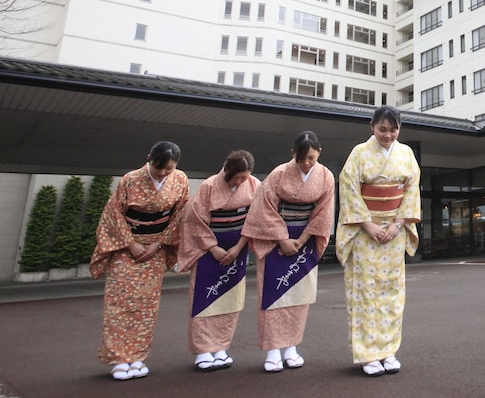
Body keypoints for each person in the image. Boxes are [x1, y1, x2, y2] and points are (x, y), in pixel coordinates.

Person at [90, 141, 189, 381]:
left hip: (156, 248)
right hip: (126, 247)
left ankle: (137, 357)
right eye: (159, 168)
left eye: (169, 169)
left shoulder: (180, 180)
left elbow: (180, 215)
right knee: (120, 303)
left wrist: (158, 244)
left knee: (146, 306)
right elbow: (113, 214)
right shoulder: (130, 179)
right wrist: (130, 243)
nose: (164, 173)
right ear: (149, 159)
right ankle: (118, 359)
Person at [336, 106, 421, 377]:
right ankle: (368, 354)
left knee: (392, 292)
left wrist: (397, 225)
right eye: (382, 129)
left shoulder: (406, 154)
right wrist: (368, 224)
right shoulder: (359, 154)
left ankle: (388, 351)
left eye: (393, 129)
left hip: (394, 233)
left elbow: (411, 191)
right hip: (364, 232)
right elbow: (348, 188)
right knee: (364, 292)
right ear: (371, 127)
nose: (388, 134)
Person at [241, 131, 336, 373]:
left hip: (304, 241)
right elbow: (263, 208)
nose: (306, 163)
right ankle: (273, 350)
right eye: (301, 158)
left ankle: (291, 347)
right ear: (293, 153)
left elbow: (323, 213)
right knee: (273, 295)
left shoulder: (325, 176)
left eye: (311, 158)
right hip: (275, 242)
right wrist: (282, 239)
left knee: (298, 296)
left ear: (319, 153)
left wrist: (303, 239)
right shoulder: (278, 174)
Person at [177, 150, 260, 371]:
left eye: (245, 177)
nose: (242, 181)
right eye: (238, 177)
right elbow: (194, 222)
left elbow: (255, 220)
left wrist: (239, 247)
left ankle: (221, 347)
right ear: (227, 171)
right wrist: (213, 249)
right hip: (208, 251)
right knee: (204, 298)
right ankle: (203, 350)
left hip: (237, 249)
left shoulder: (254, 185)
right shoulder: (209, 186)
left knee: (230, 300)